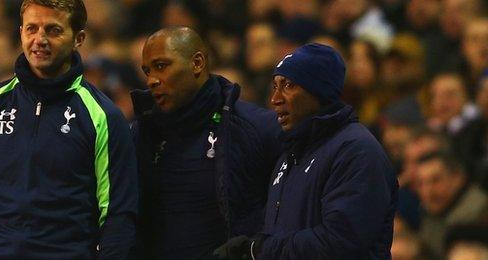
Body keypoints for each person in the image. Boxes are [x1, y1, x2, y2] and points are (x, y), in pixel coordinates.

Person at [0, 0, 138, 259]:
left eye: (53, 30)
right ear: (20, 32)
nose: (39, 39)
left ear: (79, 38)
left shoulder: (103, 116)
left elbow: (117, 214)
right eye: (31, 29)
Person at [216, 43, 398, 259]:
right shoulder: (289, 156)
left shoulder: (355, 150)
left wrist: (260, 250)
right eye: (275, 86)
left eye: (288, 85)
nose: (275, 99)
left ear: (318, 90)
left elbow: (340, 242)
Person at [131, 26, 282, 259]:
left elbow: (286, 212)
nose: (151, 80)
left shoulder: (257, 129)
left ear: (197, 63)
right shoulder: (142, 135)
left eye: (161, 66)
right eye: (147, 71)